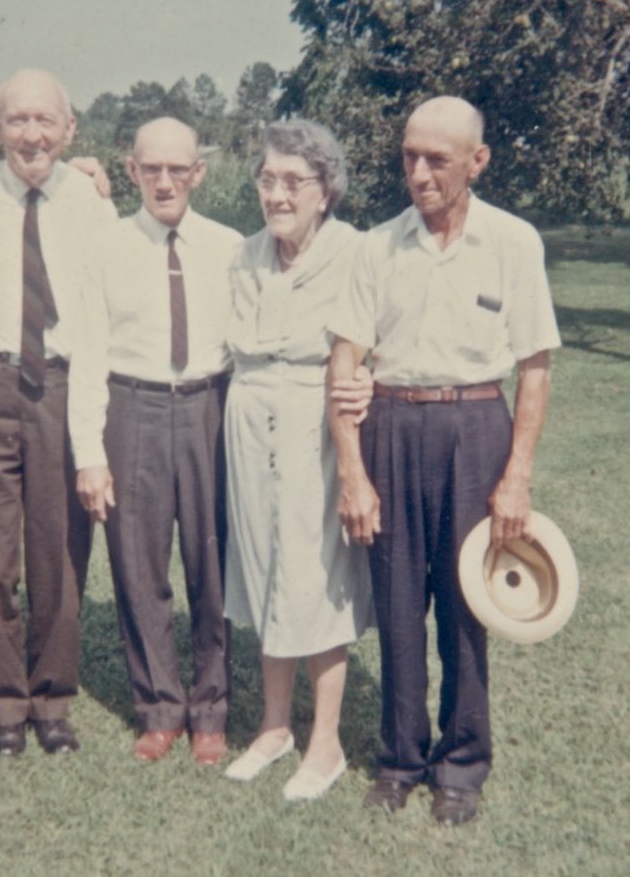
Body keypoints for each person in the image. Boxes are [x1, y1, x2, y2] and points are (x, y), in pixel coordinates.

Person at [328, 96, 561, 825]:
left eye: (437, 159)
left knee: (467, 602)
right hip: (390, 427)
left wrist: (516, 475)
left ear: (477, 162)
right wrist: (352, 472)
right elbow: (344, 361)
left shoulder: (512, 241)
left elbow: (534, 367)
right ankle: (400, 760)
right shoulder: (376, 247)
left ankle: (461, 764)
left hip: (474, 427)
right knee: (398, 605)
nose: (420, 173)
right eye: (410, 157)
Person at [0, 69, 117, 757]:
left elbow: (98, 321)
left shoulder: (91, 205)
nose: (31, 134)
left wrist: (90, 439)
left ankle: (53, 699)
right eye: (17, 120)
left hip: (60, 383)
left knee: (59, 550)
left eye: (46, 120)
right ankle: (5, 702)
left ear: (70, 130)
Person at [69, 117, 241, 765]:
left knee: (212, 565)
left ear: (198, 172)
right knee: (138, 565)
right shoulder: (104, 248)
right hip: (132, 408)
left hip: (208, 409)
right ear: (131, 170)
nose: (164, 182)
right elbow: (87, 352)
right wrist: (90, 454)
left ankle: (211, 708)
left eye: (177, 169)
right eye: (151, 169)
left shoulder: (230, 247)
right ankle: (159, 707)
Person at [221, 120, 374, 801]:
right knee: (264, 566)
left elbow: (381, 341)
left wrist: (369, 379)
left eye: (293, 182)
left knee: (315, 572)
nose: (277, 195)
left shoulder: (355, 252)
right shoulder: (245, 253)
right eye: (267, 179)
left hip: (317, 420)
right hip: (250, 417)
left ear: (325, 189)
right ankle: (274, 726)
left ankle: (326, 742)